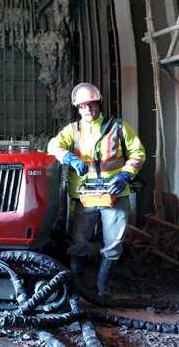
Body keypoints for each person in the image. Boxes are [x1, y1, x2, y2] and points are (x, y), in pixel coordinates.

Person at [47, 82, 145, 296]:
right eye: (83, 106)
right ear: (77, 108)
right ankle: (78, 287)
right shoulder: (73, 130)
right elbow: (53, 146)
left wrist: (125, 174)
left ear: (98, 104)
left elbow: (138, 153)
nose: (88, 109)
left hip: (115, 193)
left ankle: (102, 289)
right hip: (85, 197)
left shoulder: (118, 127)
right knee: (79, 241)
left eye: (92, 104)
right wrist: (70, 158)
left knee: (114, 243)